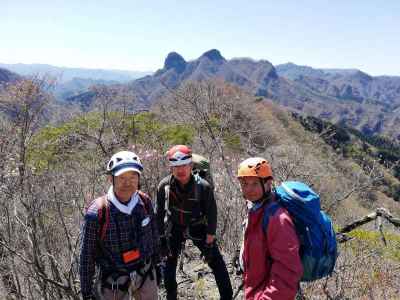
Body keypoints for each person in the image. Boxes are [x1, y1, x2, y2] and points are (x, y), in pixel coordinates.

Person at [80, 150, 159, 300]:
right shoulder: (97, 212)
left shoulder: (144, 202)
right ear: (111, 178)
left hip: (146, 274)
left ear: (139, 178)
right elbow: (87, 256)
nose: (127, 183)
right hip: (113, 281)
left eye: (133, 177)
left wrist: (158, 265)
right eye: (121, 177)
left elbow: (153, 235)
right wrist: (86, 292)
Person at [156, 145, 233, 300]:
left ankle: (227, 296)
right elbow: (159, 214)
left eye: (184, 165)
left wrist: (210, 242)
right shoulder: (164, 186)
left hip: (198, 225)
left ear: (191, 165)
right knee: (169, 264)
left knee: (216, 261)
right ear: (171, 168)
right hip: (174, 226)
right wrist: (162, 239)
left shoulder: (203, 187)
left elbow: (212, 214)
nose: (180, 170)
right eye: (176, 166)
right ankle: (171, 296)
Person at [237, 157, 303, 300]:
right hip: (255, 291)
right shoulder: (254, 209)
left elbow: (288, 272)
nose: (249, 189)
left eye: (254, 183)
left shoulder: (277, 219)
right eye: (244, 184)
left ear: (267, 184)